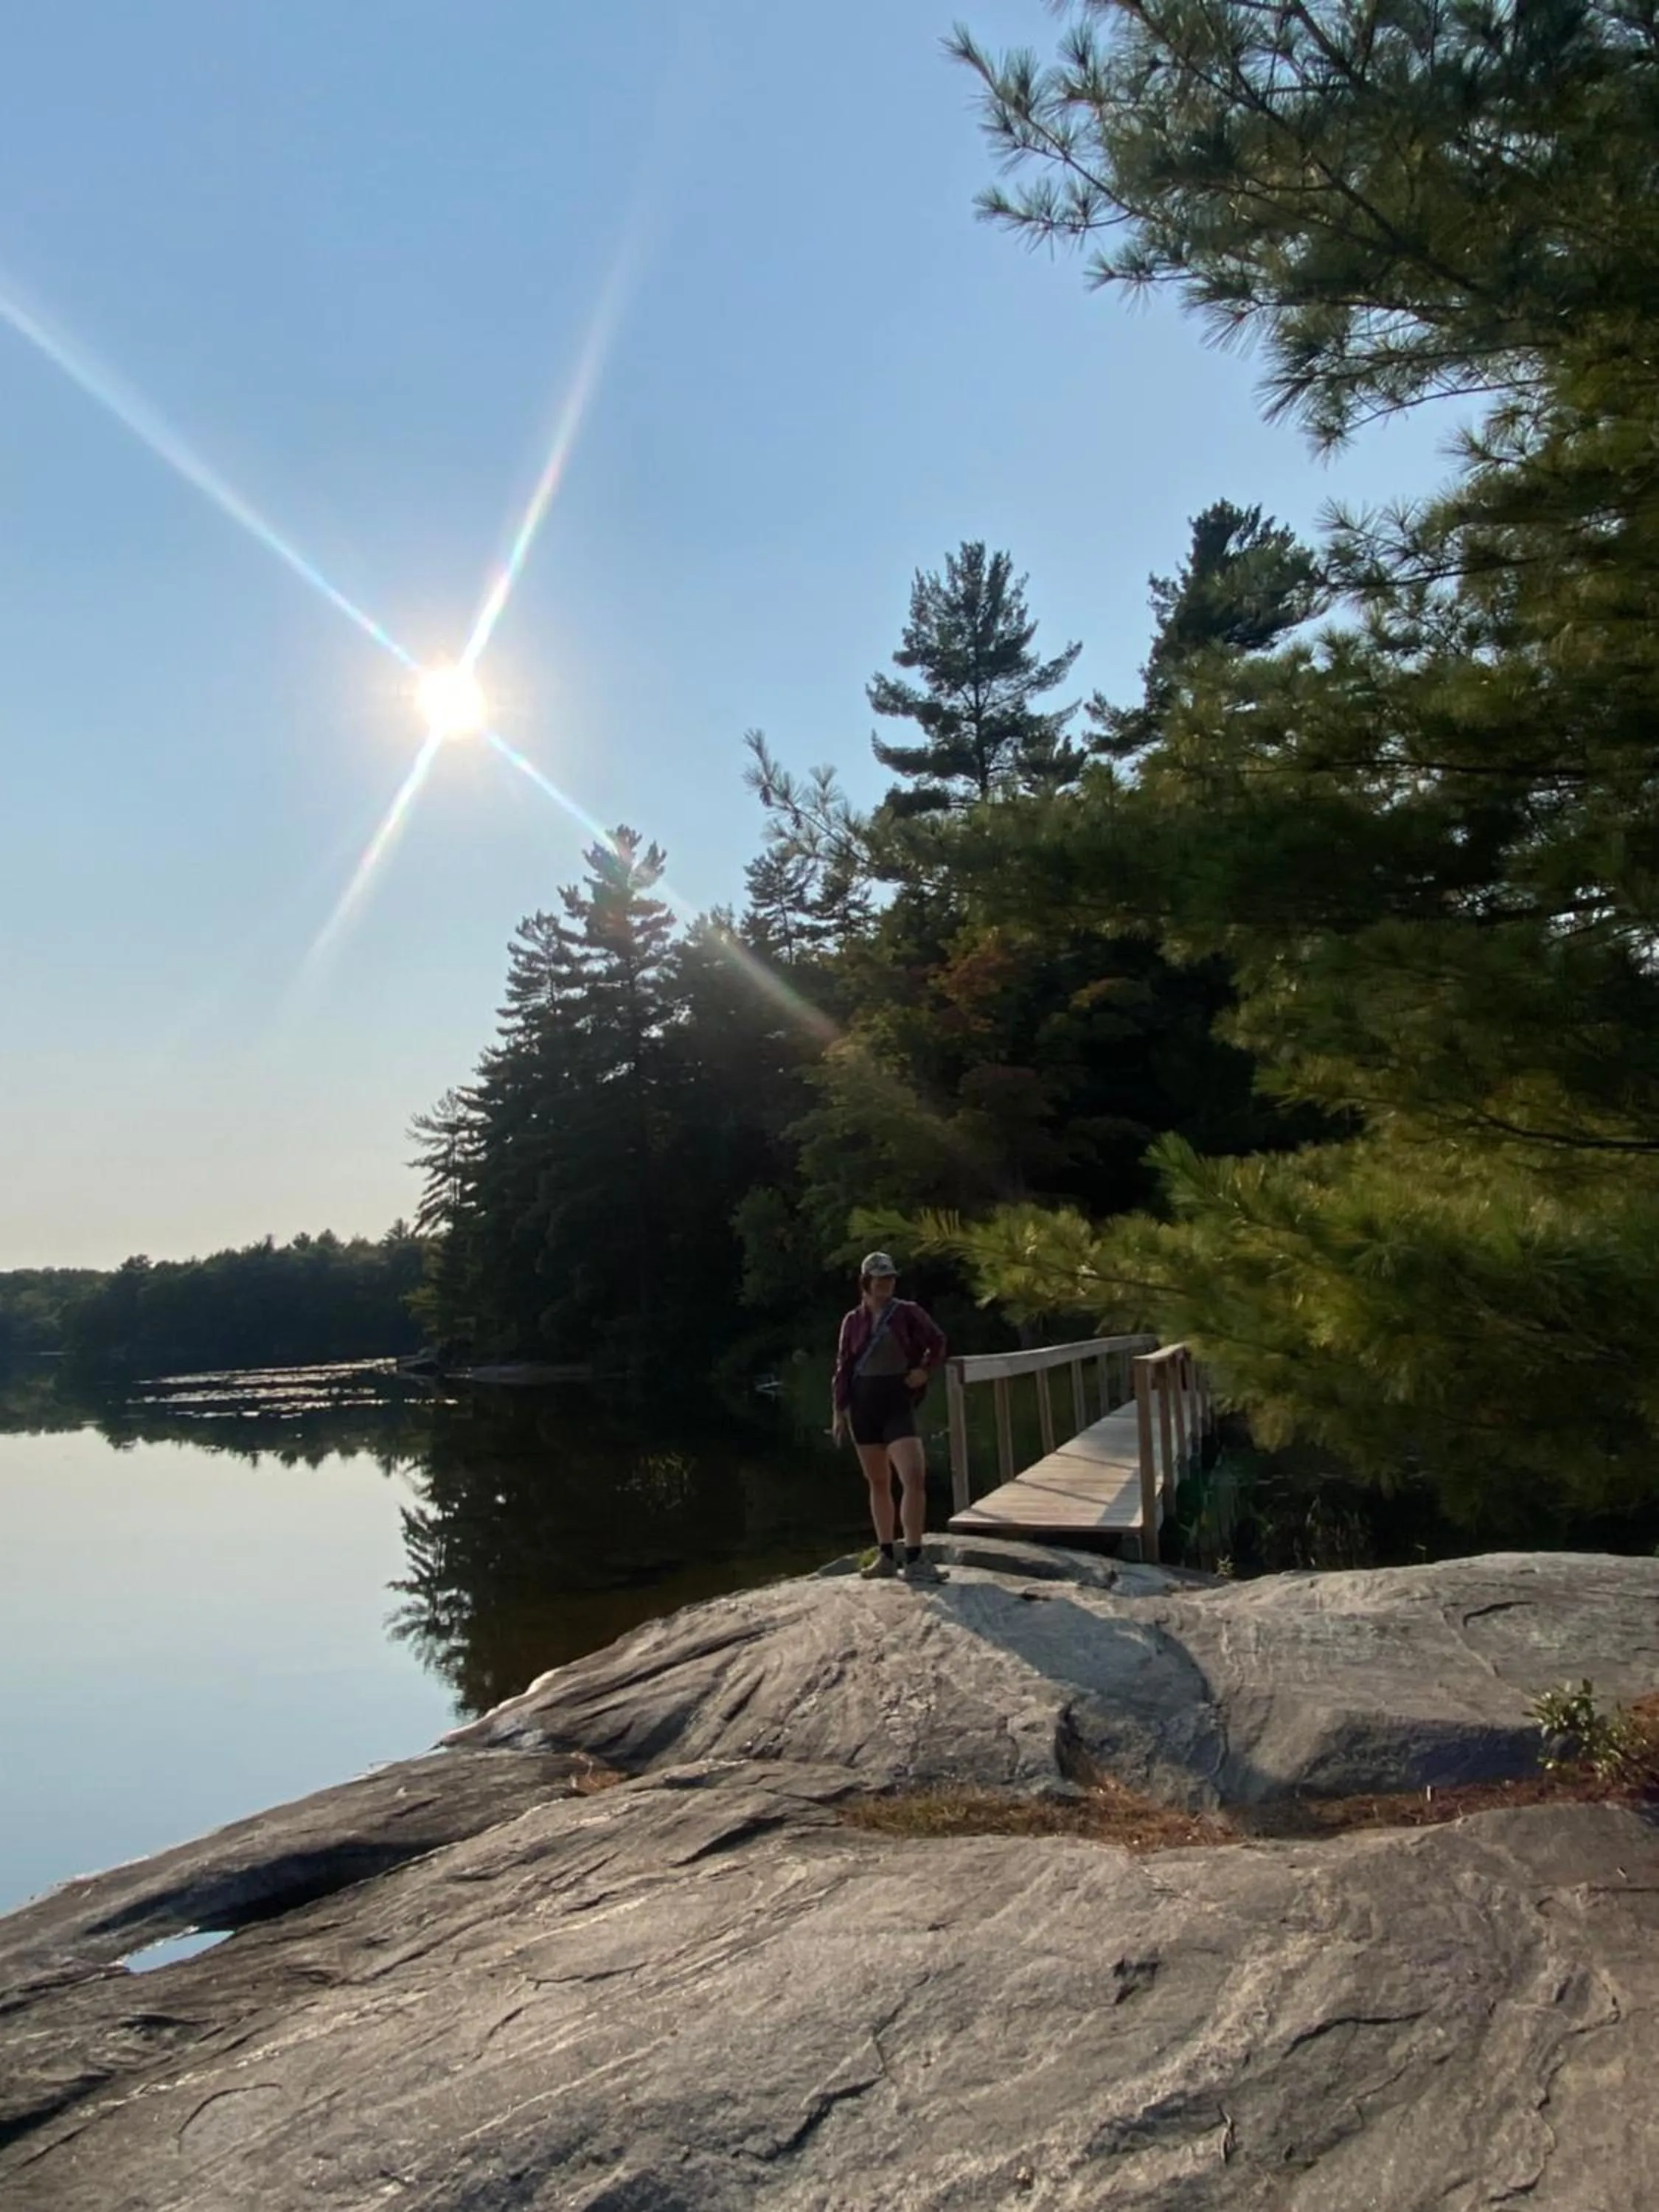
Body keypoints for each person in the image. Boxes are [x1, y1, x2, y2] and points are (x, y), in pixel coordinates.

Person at [832, 1252, 947, 1582]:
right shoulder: (852, 1321)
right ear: (866, 1282)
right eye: (879, 1279)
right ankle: (885, 1555)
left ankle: (914, 1556)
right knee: (878, 1482)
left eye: (890, 1278)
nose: (886, 1284)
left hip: (897, 1401)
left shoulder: (907, 1313)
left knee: (913, 1475)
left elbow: (937, 1341)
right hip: (863, 1406)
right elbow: (843, 1367)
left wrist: (924, 1371)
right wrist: (839, 1411)